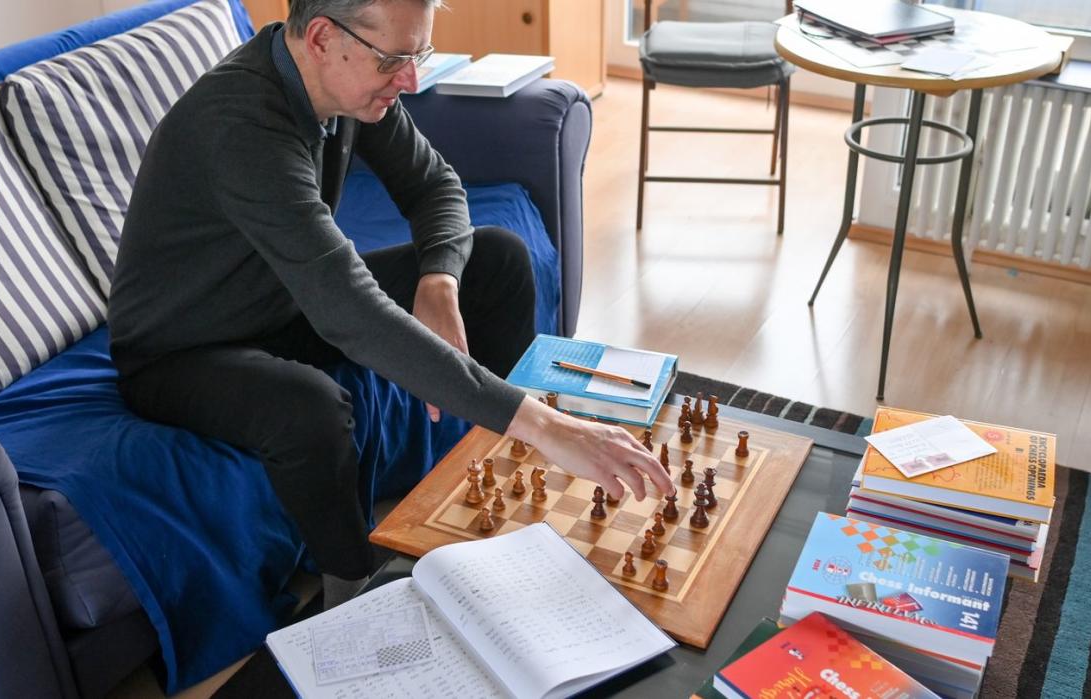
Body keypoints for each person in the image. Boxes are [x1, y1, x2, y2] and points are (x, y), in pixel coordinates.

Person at [107, 0, 672, 606]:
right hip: (181, 348)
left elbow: (435, 186)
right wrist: (549, 423)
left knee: (497, 259)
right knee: (311, 407)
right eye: (396, 59)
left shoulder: (346, 85)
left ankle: (492, 484)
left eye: (416, 54)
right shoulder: (240, 125)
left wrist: (438, 282)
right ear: (322, 38)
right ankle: (351, 590)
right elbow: (349, 310)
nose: (410, 79)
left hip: (281, 300)